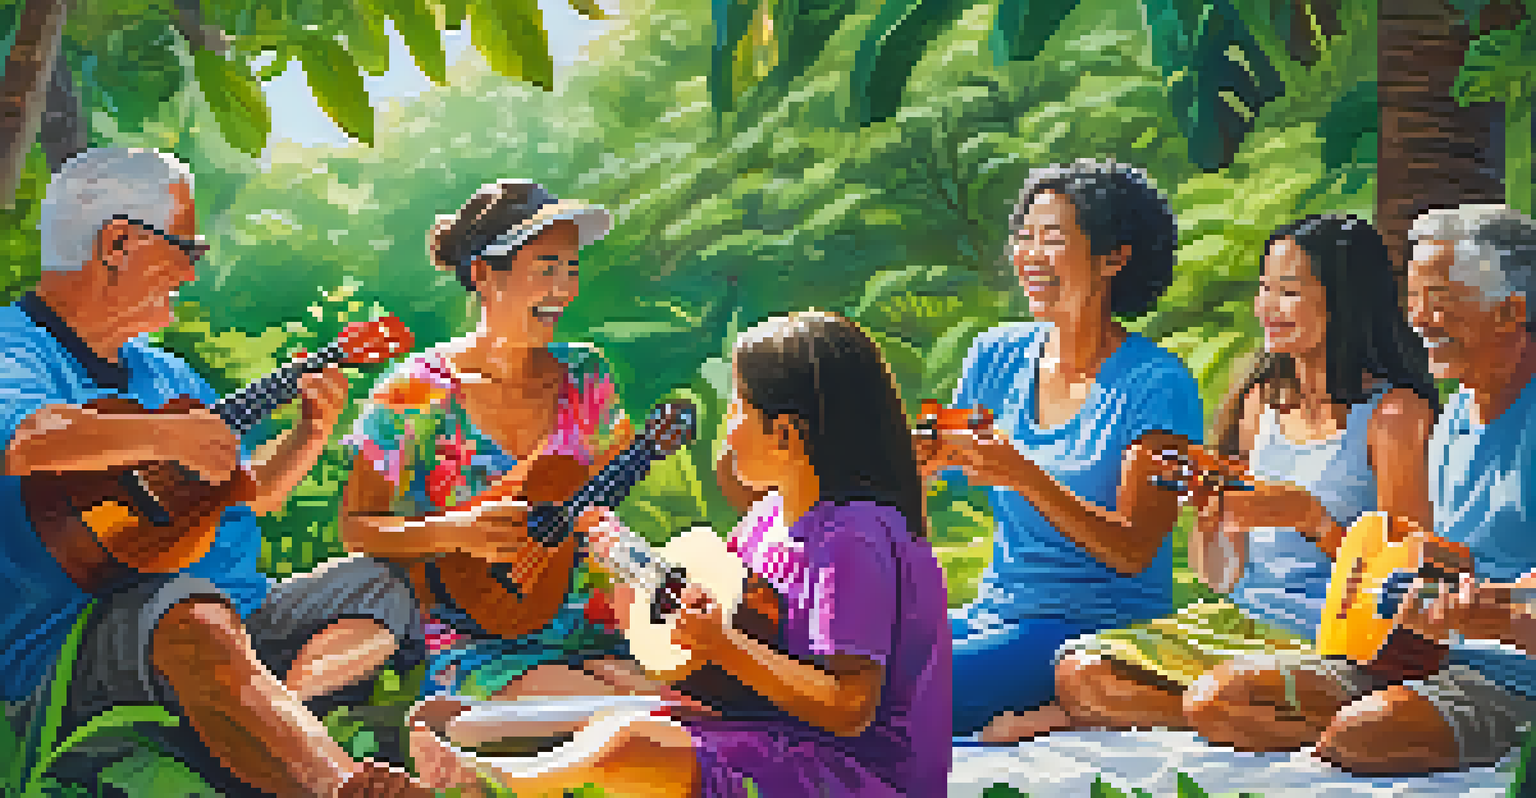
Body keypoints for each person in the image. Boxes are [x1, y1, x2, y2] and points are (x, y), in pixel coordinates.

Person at [0, 147, 434, 796]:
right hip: (86, 642)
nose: (190, 272)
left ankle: (268, 715)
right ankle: (336, 784)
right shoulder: (15, 346)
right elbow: (23, 441)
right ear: (118, 243)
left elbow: (245, 494)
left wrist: (309, 433)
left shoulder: (165, 374)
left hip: (231, 620)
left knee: (381, 586)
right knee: (187, 610)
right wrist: (168, 433)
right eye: (186, 250)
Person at [412, 310, 954, 797]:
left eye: (738, 407)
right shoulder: (768, 519)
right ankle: (469, 757)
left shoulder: (853, 539)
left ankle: (482, 787)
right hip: (770, 729)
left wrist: (721, 645)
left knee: (627, 742)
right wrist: (627, 565)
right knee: (461, 717)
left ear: (786, 434)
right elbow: (729, 618)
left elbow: (848, 706)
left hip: (856, 773)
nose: (727, 427)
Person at [991, 215, 1438, 741]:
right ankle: (1213, 714)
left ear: (1346, 302)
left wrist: (1311, 520)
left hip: (1340, 642)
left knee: (1216, 696)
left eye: (1288, 292)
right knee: (1080, 672)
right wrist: (1212, 516)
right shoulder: (1260, 404)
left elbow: (1408, 583)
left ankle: (1220, 712)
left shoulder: (1394, 414)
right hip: (1246, 627)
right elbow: (1219, 578)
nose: (1267, 309)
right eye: (1264, 289)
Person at [1181, 204, 1536, 775]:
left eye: (1439, 299)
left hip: (1511, 674)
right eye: (1413, 299)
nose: (1418, 319)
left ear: (1509, 312)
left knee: (1359, 737)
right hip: (1420, 656)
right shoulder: (1457, 417)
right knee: (1219, 700)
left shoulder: (1405, 413)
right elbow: (1424, 557)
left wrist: (1490, 614)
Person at [918, 160, 1205, 742]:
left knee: (901, 693)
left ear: (1113, 257)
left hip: (1094, 631)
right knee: (858, 658)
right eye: (1024, 237)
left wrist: (1024, 475)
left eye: (1052, 239)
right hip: (992, 614)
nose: (1030, 255)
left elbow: (1132, 549)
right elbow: (936, 473)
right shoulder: (995, 355)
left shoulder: (1157, 386)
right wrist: (917, 466)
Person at [339, 179, 645, 706]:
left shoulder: (588, 374)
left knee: (687, 710)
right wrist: (452, 531)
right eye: (546, 269)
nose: (565, 290)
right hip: (476, 638)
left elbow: (604, 506)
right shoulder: (415, 390)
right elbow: (358, 528)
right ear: (483, 274)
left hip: (593, 625)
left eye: (571, 270)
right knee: (622, 716)